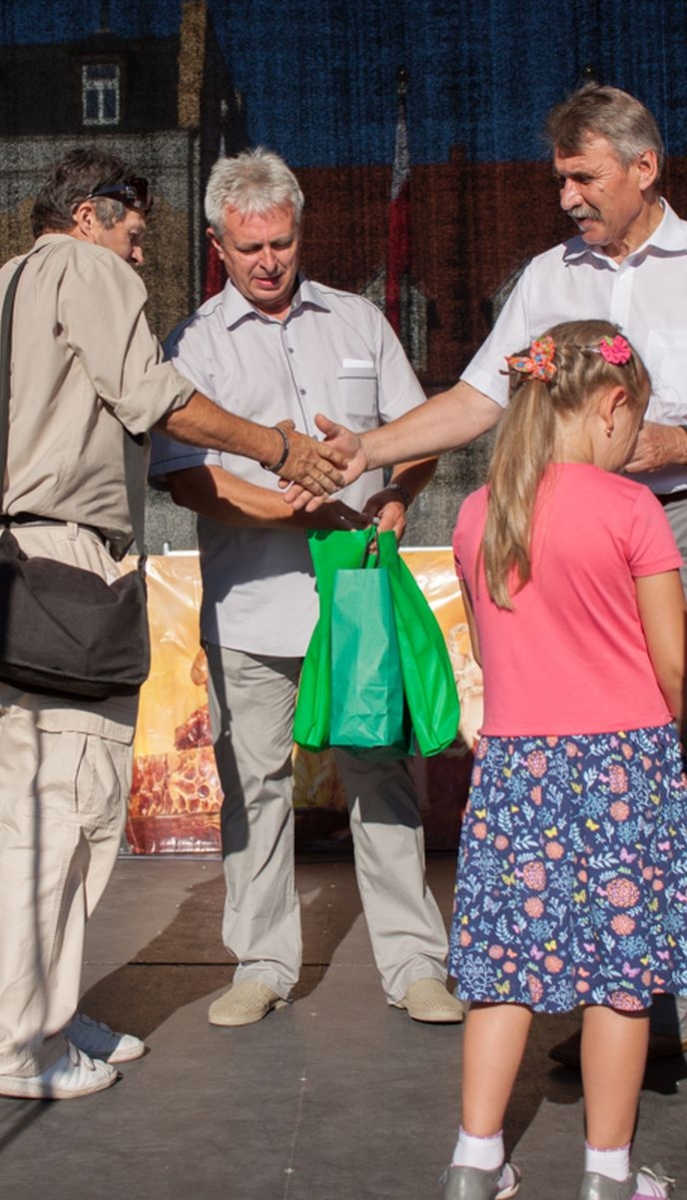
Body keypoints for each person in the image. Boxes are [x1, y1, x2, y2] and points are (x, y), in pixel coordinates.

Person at [0, 146, 351, 1102]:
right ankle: (12, 1044)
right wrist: (277, 444)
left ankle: (44, 1006)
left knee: (34, 811)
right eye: (132, 229)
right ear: (88, 213)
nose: (137, 250)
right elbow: (153, 395)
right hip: (51, 562)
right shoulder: (84, 268)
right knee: (64, 813)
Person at [290, 82, 687, 1063]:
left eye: (580, 177)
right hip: (578, 548)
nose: (564, 198)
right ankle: (622, 1006)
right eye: (557, 179)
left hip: (677, 525)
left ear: (644, 169)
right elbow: (476, 400)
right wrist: (367, 449)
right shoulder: (549, 278)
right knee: (602, 786)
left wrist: (666, 442)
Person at [150, 147, 463, 1029]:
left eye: (281, 243)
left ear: (299, 231)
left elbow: (415, 433)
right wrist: (304, 513)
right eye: (248, 248)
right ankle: (259, 962)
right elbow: (187, 479)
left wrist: (395, 496)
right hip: (251, 610)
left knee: (381, 777)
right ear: (217, 244)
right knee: (254, 788)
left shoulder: (360, 321)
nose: (267, 262)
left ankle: (414, 966)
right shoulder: (191, 343)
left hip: (356, 600)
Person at [439, 320, 685, 1200]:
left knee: (502, 970)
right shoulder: (632, 509)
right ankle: (608, 1177)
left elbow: (491, 651)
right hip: (625, 768)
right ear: (612, 408)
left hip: (515, 770)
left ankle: (475, 1163)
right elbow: (674, 666)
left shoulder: (477, 513)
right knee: (618, 980)